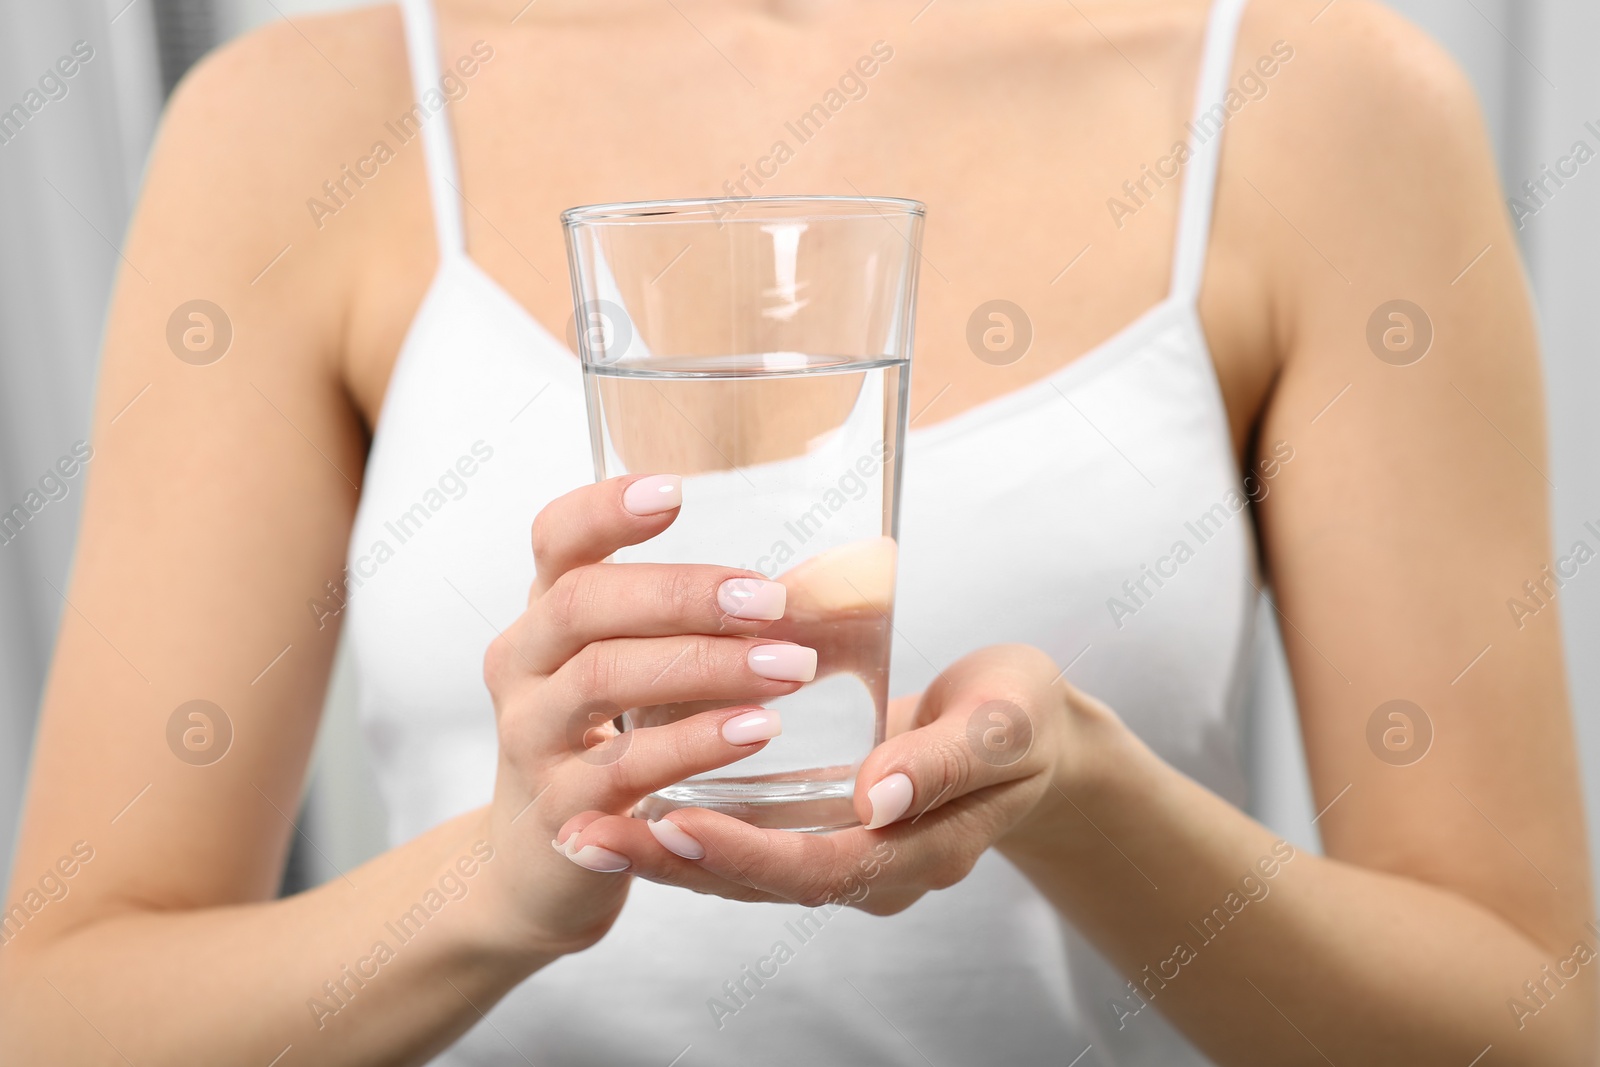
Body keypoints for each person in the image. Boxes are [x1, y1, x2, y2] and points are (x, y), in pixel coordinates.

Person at [3, 0, 1593, 1062]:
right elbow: (62, 1012)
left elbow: (1535, 1017)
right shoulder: (302, 121)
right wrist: (487, 897)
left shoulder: (1325, 106)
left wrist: (1085, 802)